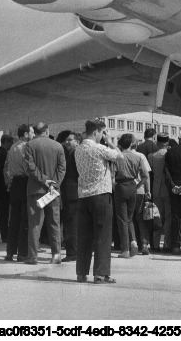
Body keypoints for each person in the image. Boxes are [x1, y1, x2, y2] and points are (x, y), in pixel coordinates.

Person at [74, 119, 122, 283]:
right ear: (96, 132)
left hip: (83, 196)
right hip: (101, 195)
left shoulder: (78, 150)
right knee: (103, 235)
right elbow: (120, 157)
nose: (103, 136)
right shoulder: (100, 148)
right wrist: (110, 142)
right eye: (102, 133)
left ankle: (81, 272)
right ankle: (101, 273)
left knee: (84, 236)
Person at [24, 122, 66, 264]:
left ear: (35, 132)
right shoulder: (58, 146)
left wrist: (44, 180)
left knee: (35, 224)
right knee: (54, 223)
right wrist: (54, 183)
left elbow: (30, 167)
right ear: (47, 131)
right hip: (53, 192)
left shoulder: (30, 145)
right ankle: (56, 255)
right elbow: (62, 169)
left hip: (36, 190)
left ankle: (33, 256)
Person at [113, 133, 147, 258]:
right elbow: (145, 176)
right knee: (130, 218)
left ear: (120, 144)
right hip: (133, 186)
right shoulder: (137, 157)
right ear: (132, 144)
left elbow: (113, 176)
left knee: (122, 219)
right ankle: (133, 241)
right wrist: (138, 186)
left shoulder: (118, 157)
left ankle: (125, 249)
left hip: (121, 186)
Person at [4, 123, 33, 262]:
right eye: (32, 133)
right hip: (24, 182)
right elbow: (28, 167)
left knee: (14, 219)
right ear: (26, 134)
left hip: (14, 183)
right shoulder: (26, 147)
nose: (33, 135)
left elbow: (8, 167)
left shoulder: (12, 147)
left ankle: (10, 251)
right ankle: (22, 252)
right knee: (24, 219)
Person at [147, 134, 171, 252]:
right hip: (167, 189)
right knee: (168, 217)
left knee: (157, 217)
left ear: (157, 143)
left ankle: (155, 244)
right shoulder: (169, 154)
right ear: (167, 143)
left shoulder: (151, 156)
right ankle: (167, 243)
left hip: (156, 189)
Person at [59, 132, 80, 261]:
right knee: (70, 222)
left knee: (71, 223)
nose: (67, 142)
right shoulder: (69, 154)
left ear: (77, 141)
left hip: (72, 192)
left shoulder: (76, 154)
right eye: (66, 140)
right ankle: (72, 251)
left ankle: (72, 253)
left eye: (70, 140)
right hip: (70, 192)